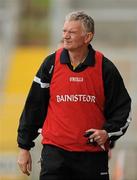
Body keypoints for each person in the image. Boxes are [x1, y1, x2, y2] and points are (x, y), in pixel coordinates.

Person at [17, 11, 131, 180]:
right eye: (64, 31)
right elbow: (34, 105)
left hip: (92, 157)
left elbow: (123, 110)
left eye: (72, 32)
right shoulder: (50, 64)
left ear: (88, 37)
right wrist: (24, 147)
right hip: (55, 154)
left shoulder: (105, 68)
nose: (66, 36)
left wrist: (107, 133)